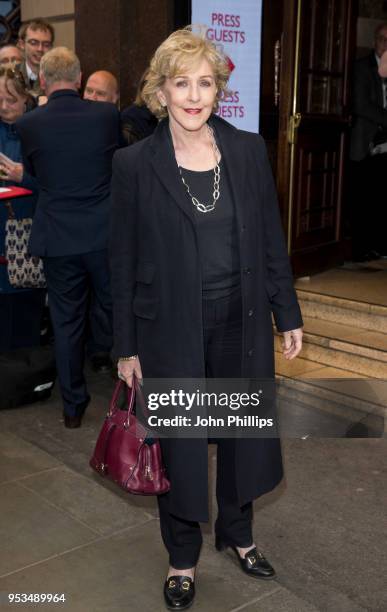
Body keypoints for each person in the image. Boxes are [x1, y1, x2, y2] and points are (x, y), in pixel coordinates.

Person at [110, 28, 303, 611]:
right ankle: (182, 557)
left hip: (238, 322)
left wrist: (285, 310)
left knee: (243, 436)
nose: (194, 95)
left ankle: (240, 536)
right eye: (181, 83)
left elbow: (270, 238)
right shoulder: (133, 164)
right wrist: (125, 346)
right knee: (183, 443)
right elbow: (119, 261)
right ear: (160, 91)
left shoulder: (245, 151)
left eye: (205, 83)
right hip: (169, 328)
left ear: (218, 90)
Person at [16, 47, 121, 428]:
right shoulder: (107, 116)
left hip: (59, 238)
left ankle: (73, 407)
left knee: (66, 321)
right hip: (103, 234)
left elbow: (35, 174)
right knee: (118, 310)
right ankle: (128, 399)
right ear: (79, 79)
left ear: (43, 80)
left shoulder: (30, 124)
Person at [0, 65, 45, 351]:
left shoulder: (40, 130)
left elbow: (56, 186)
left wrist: (23, 177)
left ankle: (28, 379)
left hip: (28, 232)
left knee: (26, 313)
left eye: (11, 100)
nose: (4, 106)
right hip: (0, 232)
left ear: (27, 99)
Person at [82, 69, 120, 373]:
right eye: (89, 91)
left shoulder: (120, 132)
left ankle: (107, 350)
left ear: (115, 100)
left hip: (110, 227)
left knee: (108, 294)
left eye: (100, 94)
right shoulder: (70, 126)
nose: (93, 98)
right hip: (77, 231)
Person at [349, 23, 387, 260]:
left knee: (382, 199)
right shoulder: (362, 67)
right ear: (375, 41)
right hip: (366, 144)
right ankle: (362, 249)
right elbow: (361, 105)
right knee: (364, 199)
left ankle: (381, 245)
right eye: (383, 39)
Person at [17, 19, 54, 96]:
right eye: (34, 43)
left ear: (51, 48)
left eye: (46, 44)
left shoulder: (58, 76)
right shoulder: (11, 75)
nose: (40, 49)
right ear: (22, 44)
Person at [121, 69, 157, 145]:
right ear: (141, 88)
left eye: (154, 84)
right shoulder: (130, 116)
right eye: (146, 83)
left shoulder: (172, 114)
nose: (149, 89)